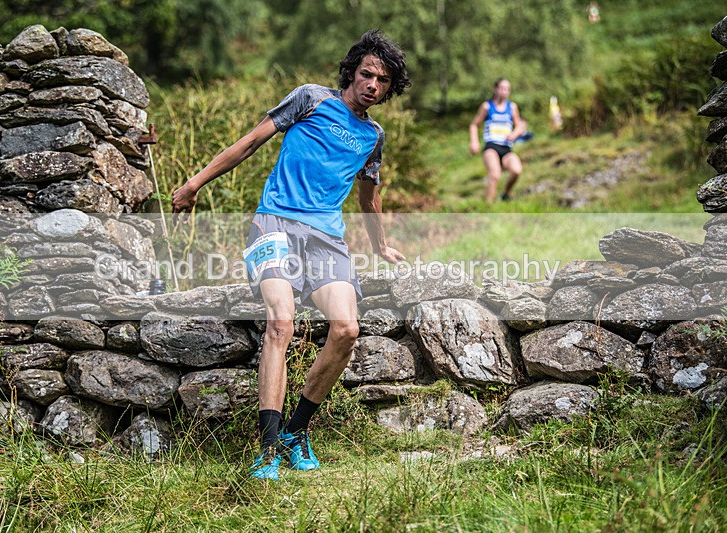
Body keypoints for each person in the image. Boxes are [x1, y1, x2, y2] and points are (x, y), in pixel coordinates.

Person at [172, 29, 410, 480]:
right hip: (274, 224)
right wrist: (193, 184)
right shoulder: (311, 99)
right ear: (352, 72)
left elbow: (369, 197)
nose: (372, 85)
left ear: (389, 88)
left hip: (326, 239)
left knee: (345, 329)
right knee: (281, 323)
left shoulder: (373, 137)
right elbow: (249, 142)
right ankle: (266, 450)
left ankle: (295, 432)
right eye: (366, 74)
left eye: (382, 81)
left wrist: (379, 245)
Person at [469, 78, 525, 203]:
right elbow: (474, 125)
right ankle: (489, 206)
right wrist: (474, 141)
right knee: (495, 175)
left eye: (507, 89)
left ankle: (505, 194)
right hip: (491, 147)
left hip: (506, 148)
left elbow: (519, 126)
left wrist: (514, 134)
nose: (504, 91)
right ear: (496, 89)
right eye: (502, 88)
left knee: (517, 170)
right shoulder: (487, 106)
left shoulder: (512, 107)